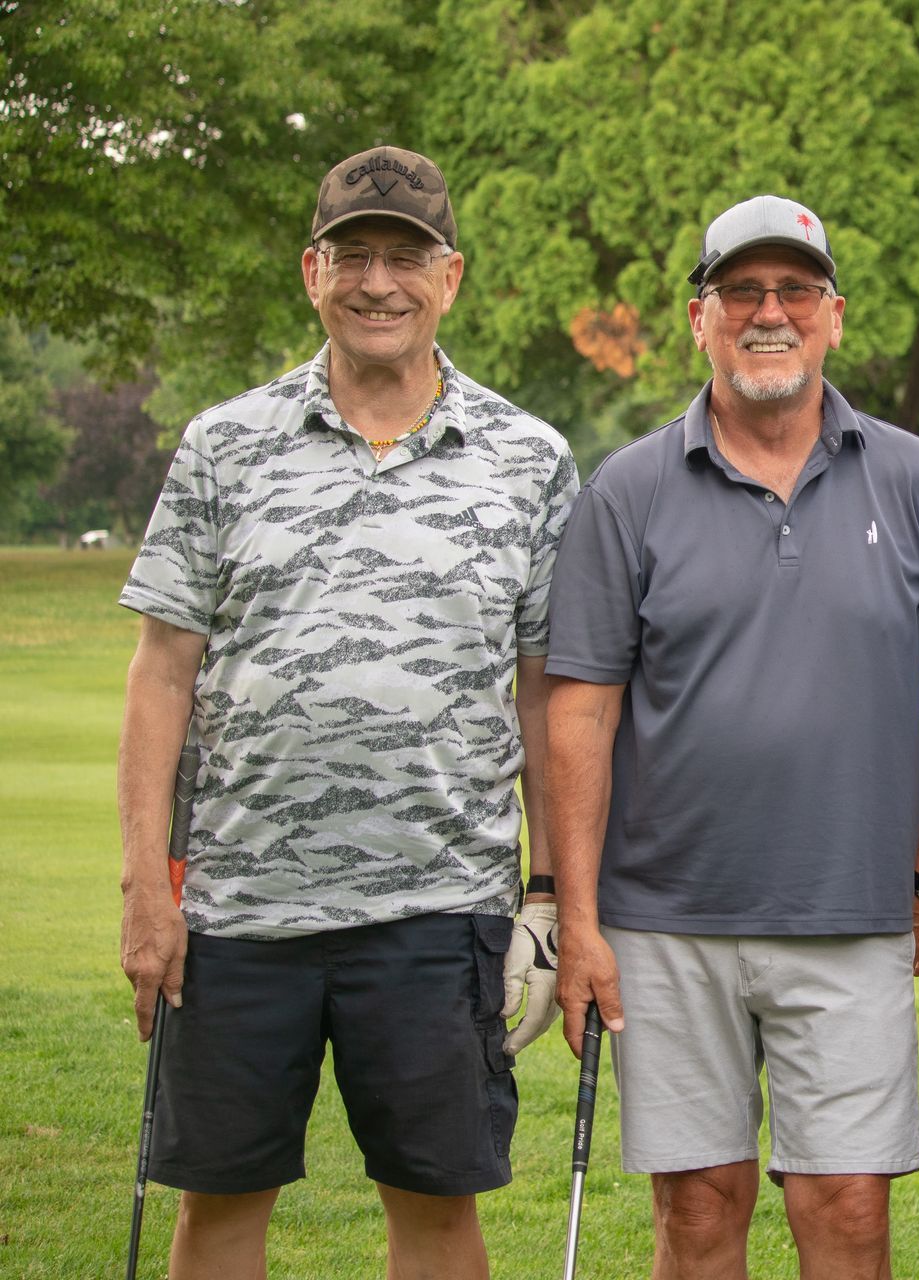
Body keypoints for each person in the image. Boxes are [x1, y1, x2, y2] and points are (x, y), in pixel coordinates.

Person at [116, 144, 577, 1280]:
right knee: (219, 1207)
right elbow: (162, 673)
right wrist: (145, 890)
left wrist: (551, 893)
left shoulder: (528, 458)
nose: (380, 283)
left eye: (406, 258)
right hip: (237, 910)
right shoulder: (225, 445)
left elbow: (546, 695)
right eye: (353, 255)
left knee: (437, 1212)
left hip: (440, 911)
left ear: (450, 277)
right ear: (311, 271)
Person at [544, 194, 919, 1280]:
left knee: (847, 1210)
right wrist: (578, 921)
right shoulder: (628, 490)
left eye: (795, 290)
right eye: (741, 291)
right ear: (700, 318)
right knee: (697, 1211)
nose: (769, 312)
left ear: (835, 315)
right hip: (664, 919)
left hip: (849, 912)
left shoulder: (918, 481)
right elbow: (580, 712)